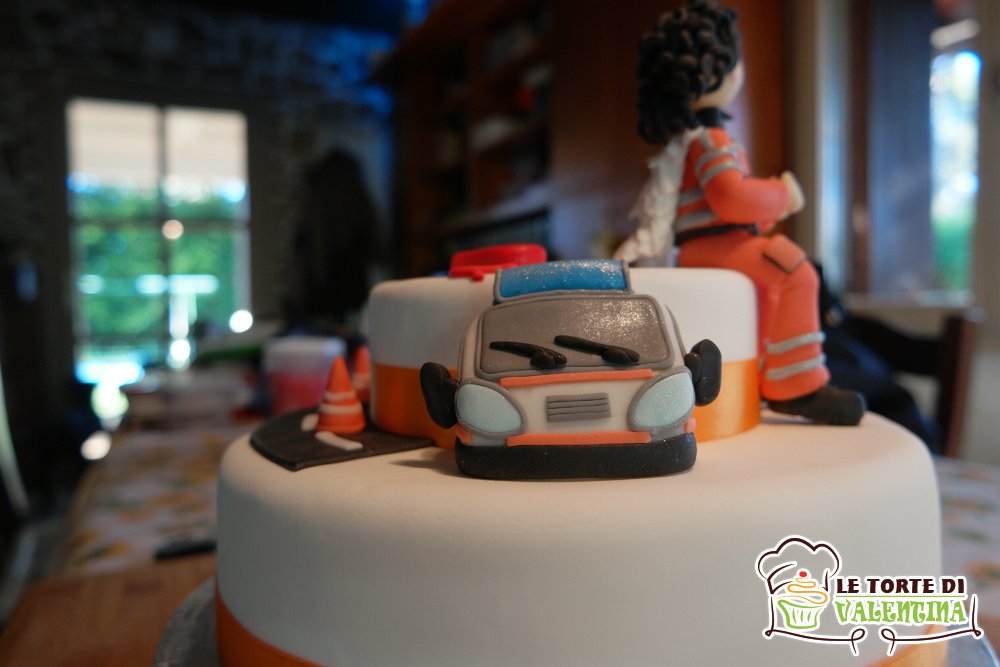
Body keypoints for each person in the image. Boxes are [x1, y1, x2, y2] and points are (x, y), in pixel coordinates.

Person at [615, 0, 864, 425]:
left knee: (771, 286)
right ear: (717, 68)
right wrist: (783, 194)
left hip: (711, 243)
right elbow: (731, 199)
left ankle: (767, 374)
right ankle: (797, 385)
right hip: (715, 246)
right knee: (795, 271)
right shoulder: (710, 139)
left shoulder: (694, 141)